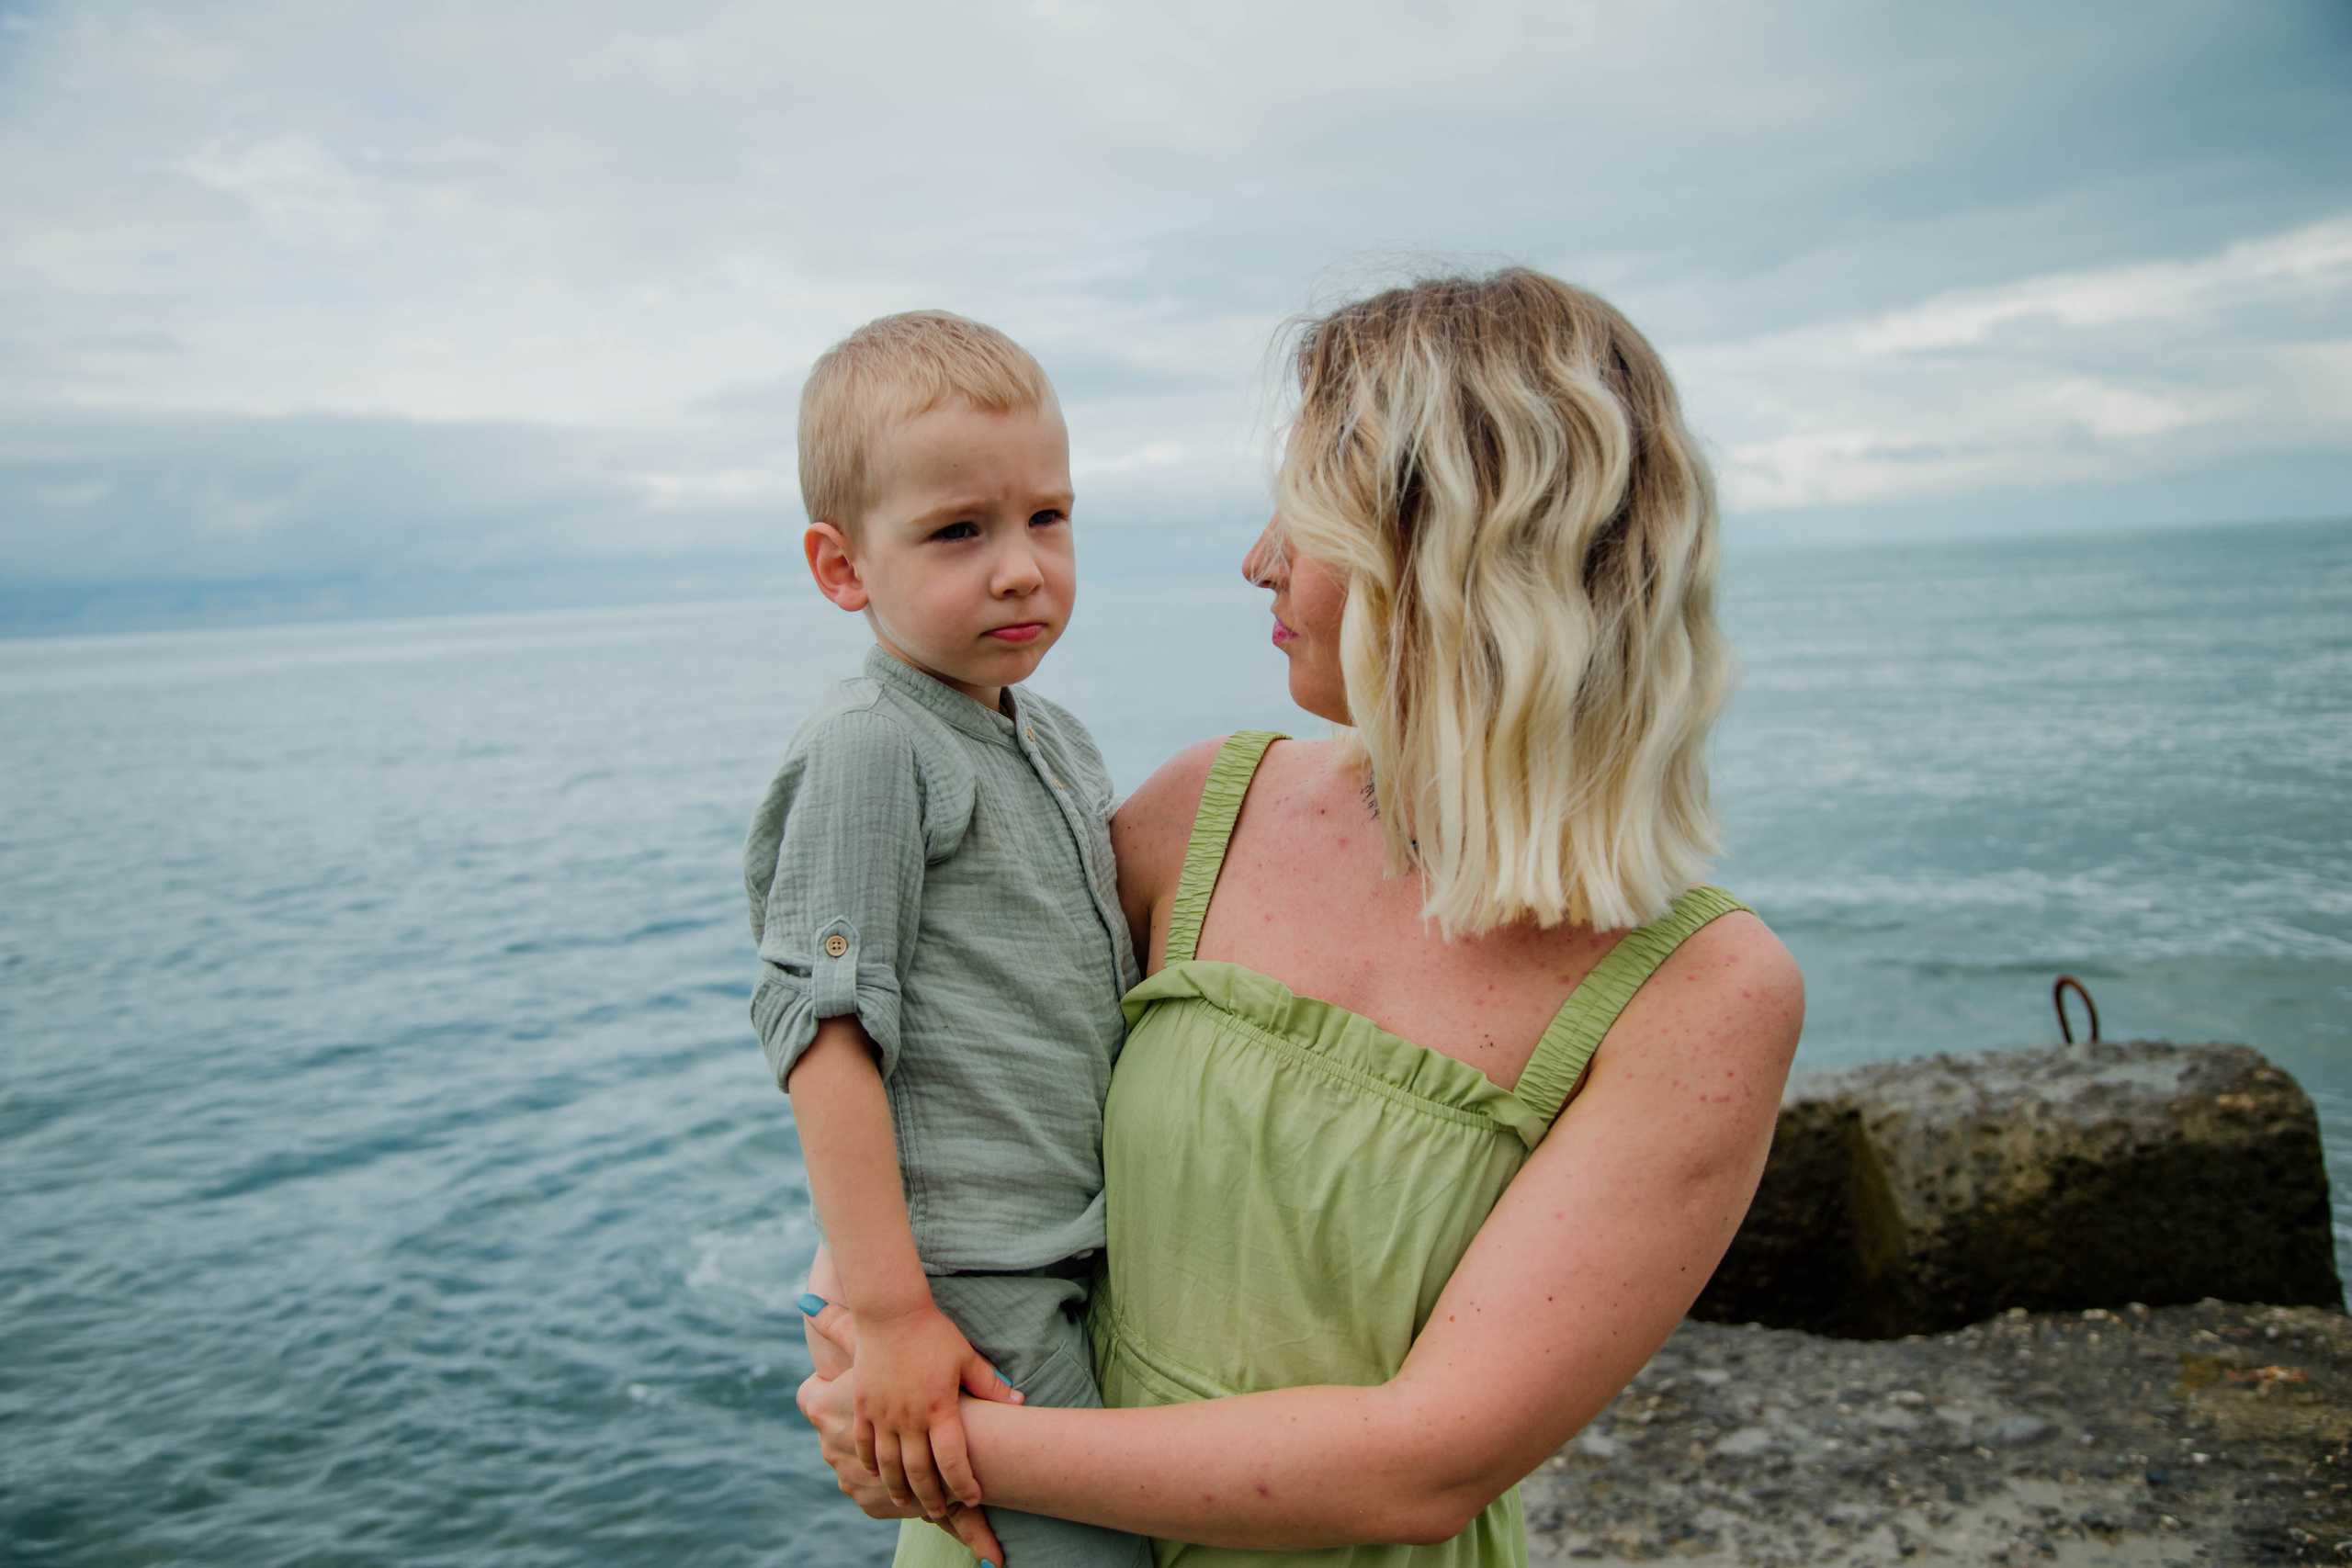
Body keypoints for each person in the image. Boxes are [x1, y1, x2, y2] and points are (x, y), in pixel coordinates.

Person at [798, 270, 1806, 1568]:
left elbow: (1422, 1464)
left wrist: (925, 1442)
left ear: (1455, 567)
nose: (1257, 560)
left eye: (1306, 521)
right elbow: (957, 1059)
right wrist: (867, 1308)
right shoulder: (1195, 812)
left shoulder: (1706, 998)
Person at [744, 310, 1153, 1568]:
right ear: (842, 566)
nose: (1021, 567)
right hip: (971, 1279)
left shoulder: (1057, 736)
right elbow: (824, 1037)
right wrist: (892, 1310)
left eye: (1048, 516)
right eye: (958, 532)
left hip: (1075, 1241)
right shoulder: (875, 743)